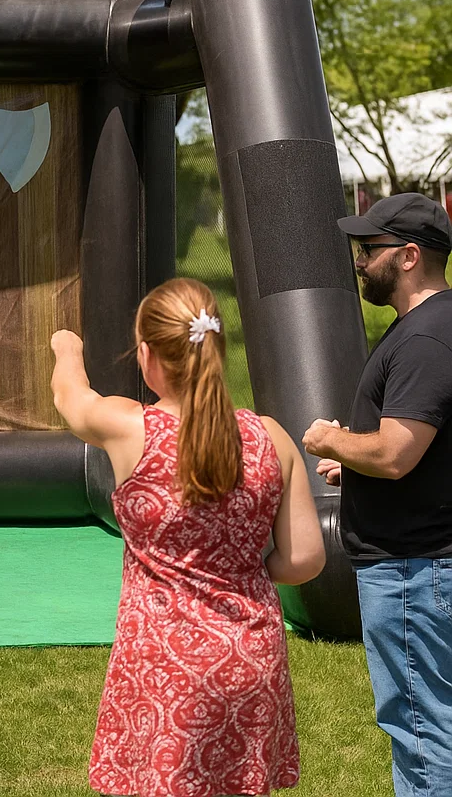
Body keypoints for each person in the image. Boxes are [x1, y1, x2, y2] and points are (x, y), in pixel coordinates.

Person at [51, 277, 325, 797]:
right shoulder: (271, 435)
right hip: (252, 660)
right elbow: (306, 559)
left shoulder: (131, 428)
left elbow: (72, 398)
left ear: (148, 355)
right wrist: (242, 571)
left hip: (165, 664)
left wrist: (66, 345)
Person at [303, 192, 452, 797]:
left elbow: (394, 454)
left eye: (370, 248)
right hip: (428, 563)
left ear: (409, 255)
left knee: (423, 731)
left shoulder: (424, 339)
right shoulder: (435, 327)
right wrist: (356, 468)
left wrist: (331, 441)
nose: (360, 261)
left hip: (414, 571)